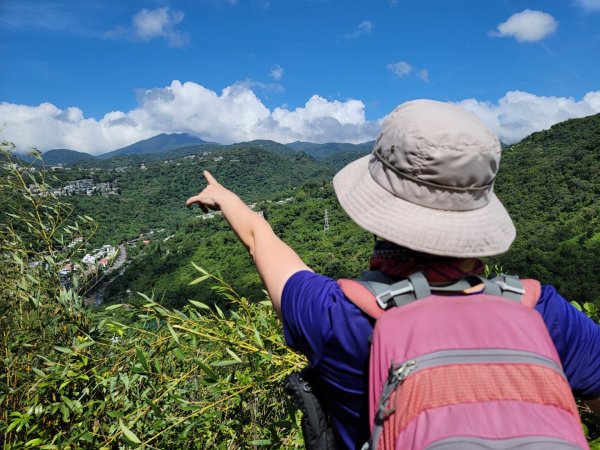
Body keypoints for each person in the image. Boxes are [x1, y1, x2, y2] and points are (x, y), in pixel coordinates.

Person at [186, 99, 600, 449]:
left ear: (377, 209)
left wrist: (226, 198)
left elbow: (261, 239)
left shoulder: (337, 316)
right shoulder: (542, 311)